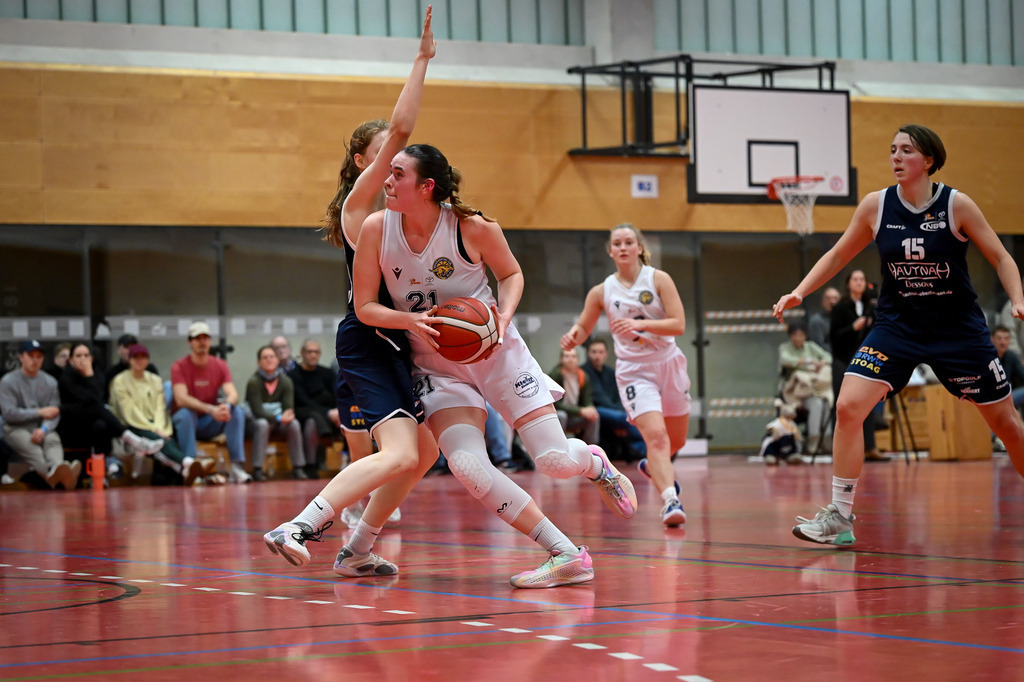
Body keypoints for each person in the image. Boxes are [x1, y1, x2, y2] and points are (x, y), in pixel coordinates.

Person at [352, 141, 638, 588]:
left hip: (496, 352)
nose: (385, 180)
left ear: (426, 187)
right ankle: (565, 554)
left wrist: (503, 316)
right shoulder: (376, 228)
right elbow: (366, 306)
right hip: (436, 365)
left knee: (555, 461)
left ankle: (594, 463)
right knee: (468, 466)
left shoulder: (472, 227)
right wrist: (408, 319)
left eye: (397, 174)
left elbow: (511, 274)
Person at [772, 123, 1024, 545]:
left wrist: (1017, 298)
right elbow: (837, 254)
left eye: (905, 150)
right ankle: (840, 515)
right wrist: (800, 291)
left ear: (928, 160)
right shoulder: (876, 206)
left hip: (956, 330)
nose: (895, 157)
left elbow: (1001, 257)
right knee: (849, 407)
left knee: (1007, 426)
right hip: (897, 326)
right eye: (892, 150)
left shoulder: (956, 205)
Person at [264, 6, 438, 580]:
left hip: (393, 339)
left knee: (425, 452)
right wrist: (421, 61)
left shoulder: (405, 211)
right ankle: (301, 525)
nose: (398, 157)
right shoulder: (358, 207)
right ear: (367, 163)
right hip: (367, 335)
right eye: (387, 152)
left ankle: (359, 545)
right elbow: (405, 130)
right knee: (399, 454)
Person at [561, 222, 690, 528]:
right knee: (656, 437)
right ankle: (671, 500)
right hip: (635, 371)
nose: (622, 247)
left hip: (669, 362)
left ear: (639, 248)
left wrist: (641, 325)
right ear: (610, 251)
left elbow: (679, 324)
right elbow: (583, 327)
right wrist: (572, 337)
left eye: (628, 242)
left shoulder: (658, 279)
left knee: (676, 441)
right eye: (616, 243)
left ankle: (654, 467)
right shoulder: (602, 291)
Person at [58, 342, 164, 482]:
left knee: (101, 425)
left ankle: (98, 475)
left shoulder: (97, 373)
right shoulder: (66, 377)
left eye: (86, 355)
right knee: (99, 408)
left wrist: (90, 374)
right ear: (71, 359)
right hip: (72, 425)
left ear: (91, 358)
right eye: (78, 356)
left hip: (92, 421)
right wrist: (89, 375)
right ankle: (132, 440)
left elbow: (98, 397)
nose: (82, 359)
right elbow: (89, 400)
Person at [110, 344, 205, 486]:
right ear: (129, 360)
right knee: (156, 440)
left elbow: (160, 407)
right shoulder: (120, 381)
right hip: (131, 425)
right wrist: (153, 429)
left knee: (167, 436)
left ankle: (184, 468)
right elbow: (129, 411)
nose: (139, 361)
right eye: (135, 357)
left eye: (143, 357)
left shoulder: (155, 380)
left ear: (148, 360)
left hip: (155, 423)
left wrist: (160, 427)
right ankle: (186, 462)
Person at [171, 321, 250, 483]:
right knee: (185, 413)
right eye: (197, 338)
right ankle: (192, 467)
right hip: (188, 423)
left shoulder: (220, 365)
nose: (202, 342)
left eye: (205, 338)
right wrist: (210, 409)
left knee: (237, 411)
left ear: (210, 341)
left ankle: (236, 467)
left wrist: (225, 406)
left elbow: (233, 394)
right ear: (190, 342)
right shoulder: (178, 366)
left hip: (210, 421)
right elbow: (181, 398)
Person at [0, 339, 79, 489]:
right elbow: (10, 413)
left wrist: (44, 429)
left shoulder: (50, 382)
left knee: (53, 441)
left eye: (39, 357)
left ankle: (59, 469)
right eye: (31, 356)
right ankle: (62, 478)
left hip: (42, 427)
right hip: (15, 428)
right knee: (34, 451)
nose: (35, 360)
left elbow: (54, 412)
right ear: (21, 357)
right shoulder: (8, 381)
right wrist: (39, 412)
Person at [830, 269, 888, 461]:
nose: (859, 282)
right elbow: (834, 336)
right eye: (855, 279)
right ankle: (840, 449)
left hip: (862, 360)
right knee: (842, 405)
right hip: (842, 360)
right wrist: (853, 327)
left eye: (862, 279)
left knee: (867, 403)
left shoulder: (870, 305)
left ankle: (870, 446)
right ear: (848, 283)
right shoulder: (840, 307)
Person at [245, 344, 309, 480]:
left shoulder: (286, 381)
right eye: (265, 357)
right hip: (255, 424)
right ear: (259, 362)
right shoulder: (253, 382)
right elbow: (258, 412)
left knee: (294, 424)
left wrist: (286, 416)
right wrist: (280, 417)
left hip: (278, 423)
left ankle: (298, 467)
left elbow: (288, 408)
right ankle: (258, 469)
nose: (269, 360)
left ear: (277, 360)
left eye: (272, 357)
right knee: (262, 424)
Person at [581, 337, 646, 461]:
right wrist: (621, 411)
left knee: (632, 415)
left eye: (600, 352)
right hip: (595, 409)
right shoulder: (584, 372)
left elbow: (620, 395)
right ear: (588, 354)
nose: (597, 356)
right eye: (593, 352)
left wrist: (622, 409)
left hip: (614, 410)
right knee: (625, 418)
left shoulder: (611, 373)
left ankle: (640, 449)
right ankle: (645, 449)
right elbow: (597, 397)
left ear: (606, 354)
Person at [288, 338, 343, 474]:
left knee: (348, 416)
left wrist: (338, 411)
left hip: (330, 415)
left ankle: (351, 462)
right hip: (303, 414)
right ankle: (311, 465)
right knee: (313, 420)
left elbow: (338, 395)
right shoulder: (293, 375)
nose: (313, 355)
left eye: (316, 352)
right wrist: (327, 412)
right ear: (302, 353)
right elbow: (303, 400)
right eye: (309, 352)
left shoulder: (327, 373)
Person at [778, 321, 832, 455]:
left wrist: (821, 363)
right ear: (790, 336)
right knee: (816, 405)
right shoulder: (784, 348)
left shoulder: (811, 346)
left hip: (814, 386)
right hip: (796, 390)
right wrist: (808, 361)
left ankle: (827, 441)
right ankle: (813, 442)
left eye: (801, 335)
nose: (798, 338)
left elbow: (828, 357)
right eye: (794, 335)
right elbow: (786, 360)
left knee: (827, 403)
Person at [548, 347, 600, 446]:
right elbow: (555, 404)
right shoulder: (556, 375)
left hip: (574, 416)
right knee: (562, 415)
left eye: (573, 356)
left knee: (594, 416)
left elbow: (587, 399)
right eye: (567, 356)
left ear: (578, 360)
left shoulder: (583, 376)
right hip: (557, 415)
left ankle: (592, 450)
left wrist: (590, 407)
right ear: (561, 359)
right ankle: (559, 448)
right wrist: (580, 411)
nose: (570, 359)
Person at [104, 333, 159, 400]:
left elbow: (158, 397)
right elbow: (106, 398)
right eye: (126, 347)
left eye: (133, 347)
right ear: (118, 350)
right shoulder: (112, 372)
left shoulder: (150, 370)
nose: (130, 350)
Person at [991, 325, 1024, 410]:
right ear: (992, 339)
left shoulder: (1011, 356)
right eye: (999, 338)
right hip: (990, 398)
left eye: (1006, 338)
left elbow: (1022, 375)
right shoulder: (987, 357)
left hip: (1007, 397)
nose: (1003, 342)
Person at [807, 286, 841, 352]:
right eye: (828, 298)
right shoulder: (816, 321)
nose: (832, 301)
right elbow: (817, 346)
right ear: (823, 301)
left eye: (835, 298)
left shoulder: (845, 318)